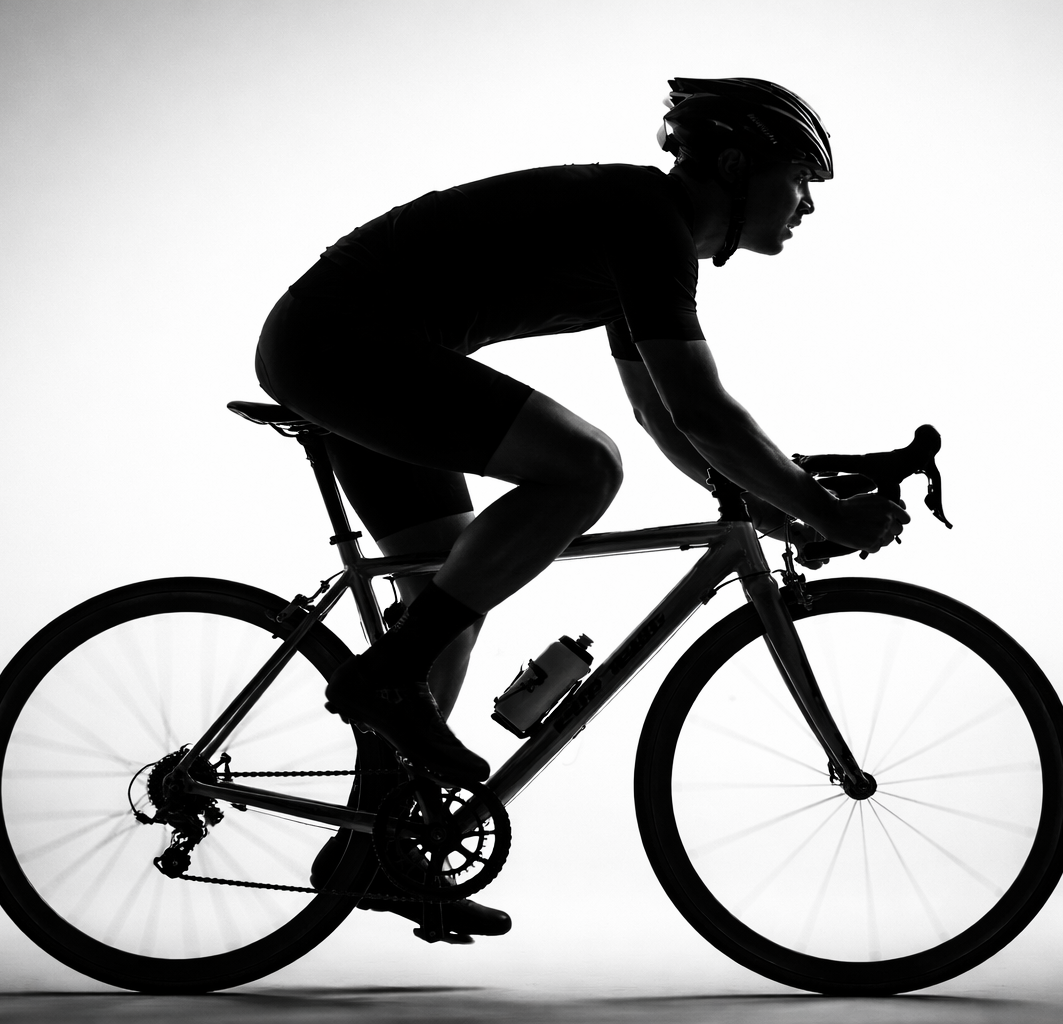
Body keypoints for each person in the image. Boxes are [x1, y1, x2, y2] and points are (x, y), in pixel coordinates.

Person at [254, 77, 910, 942]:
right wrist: (824, 511)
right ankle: (387, 677)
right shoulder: (647, 220)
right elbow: (702, 413)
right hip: (343, 343)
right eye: (800, 180)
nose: (809, 206)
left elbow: (665, 417)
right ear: (734, 166)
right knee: (585, 469)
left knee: (450, 596)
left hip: (344, 344)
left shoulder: (646, 230)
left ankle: (373, 849)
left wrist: (780, 513)